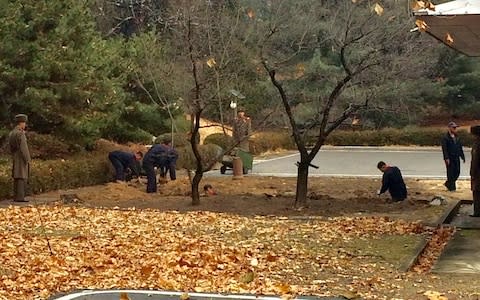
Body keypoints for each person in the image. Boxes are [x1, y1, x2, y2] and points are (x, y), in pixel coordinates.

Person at [8, 114, 31, 202]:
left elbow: (10, 147)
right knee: (22, 176)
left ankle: (15, 196)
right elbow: (24, 148)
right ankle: (20, 197)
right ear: (21, 123)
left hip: (15, 155)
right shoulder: (20, 133)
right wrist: (27, 159)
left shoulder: (12, 133)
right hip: (21, 157)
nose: (25, 125)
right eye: (24, 123)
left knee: (16, 176)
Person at [441, 121, 465, 191]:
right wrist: (446, 158)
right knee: (451, 173)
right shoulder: (445, 138)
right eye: (453, 127)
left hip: (456, 157)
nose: (455, 129)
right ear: (449, 128)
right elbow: (444, 149)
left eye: (455, 128)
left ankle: (448, 183)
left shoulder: (457, 137)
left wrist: (462, 156)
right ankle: (452, 188)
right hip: (450, 158)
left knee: (457, 172)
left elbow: (460, 147)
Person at [469, 125, 480, 217]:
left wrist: (472, 172)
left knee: (476, 191)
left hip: (478, 173)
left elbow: (475, 159)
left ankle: (477, 211)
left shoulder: (477, 144)